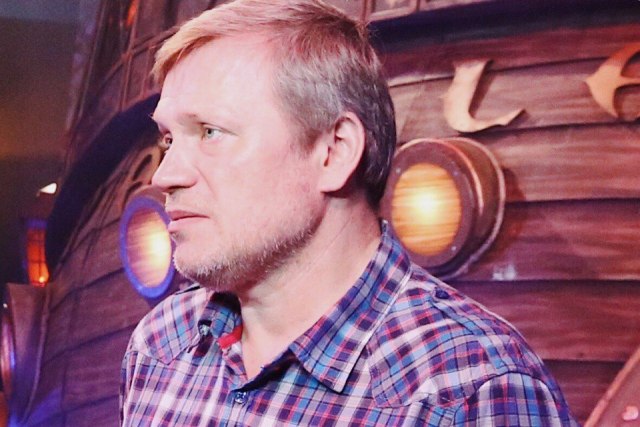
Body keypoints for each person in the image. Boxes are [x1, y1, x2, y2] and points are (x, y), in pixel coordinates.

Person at [119, 0, 577, 425]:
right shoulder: (159, 344)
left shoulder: (473, 391)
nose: (165, 175)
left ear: (335, 151)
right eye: (169, 139)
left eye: (210, 132)